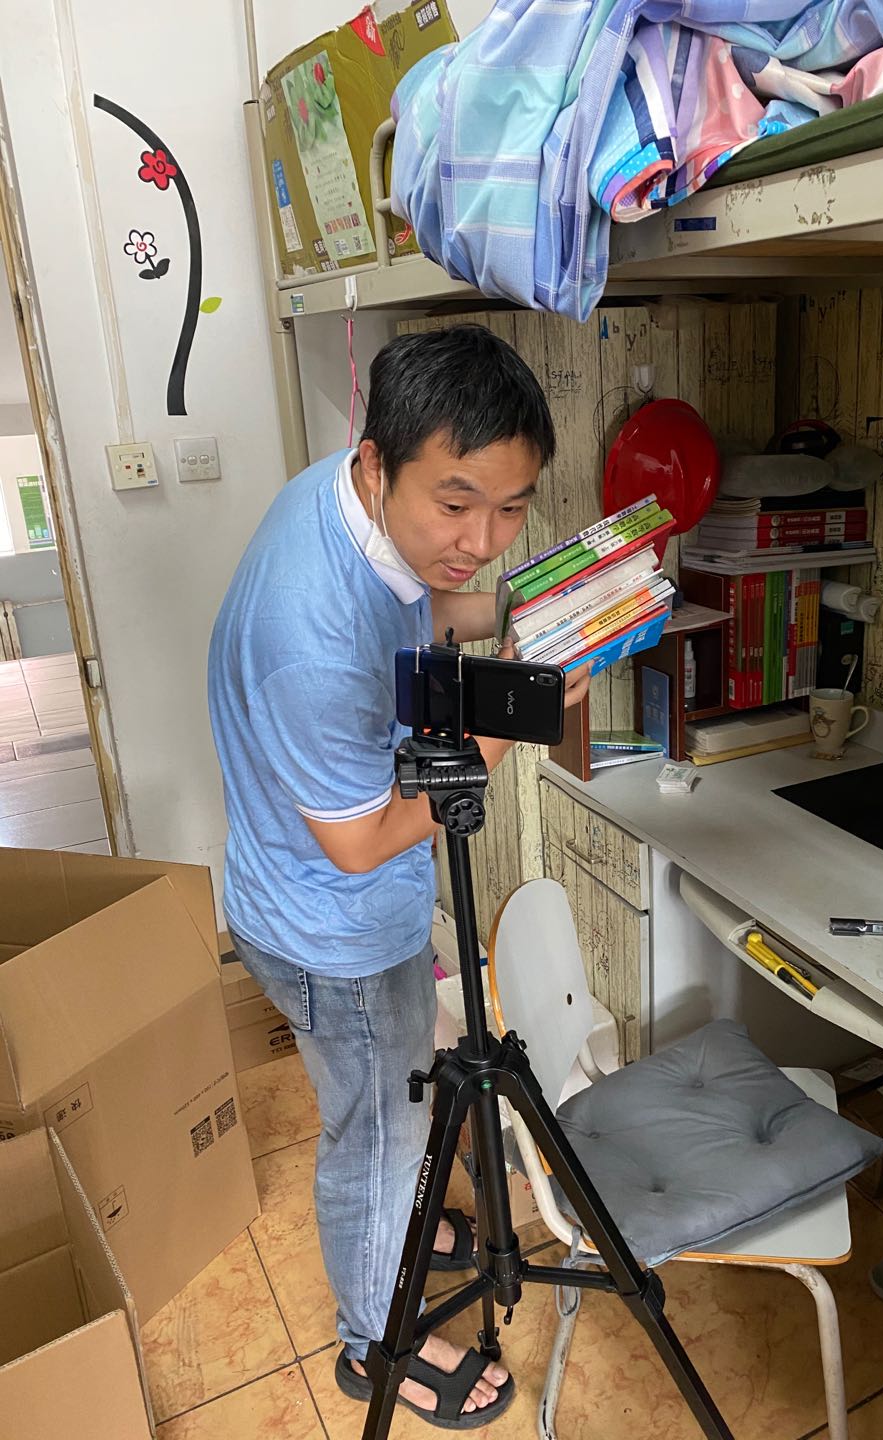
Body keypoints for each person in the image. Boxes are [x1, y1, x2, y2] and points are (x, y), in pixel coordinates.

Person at [208, 325, 590, 1428]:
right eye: (456, 504)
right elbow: (363, 842)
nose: (481, 540)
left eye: (511, 508)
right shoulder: (309, 631)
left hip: (321, 897)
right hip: (327, 925)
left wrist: (524, 614)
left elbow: (430, 607)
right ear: (380, 463)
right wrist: (504, 733)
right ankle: (375, 1344)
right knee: (374, 1141)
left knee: (390, 1110)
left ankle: (401, 1237)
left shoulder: (350, 501)